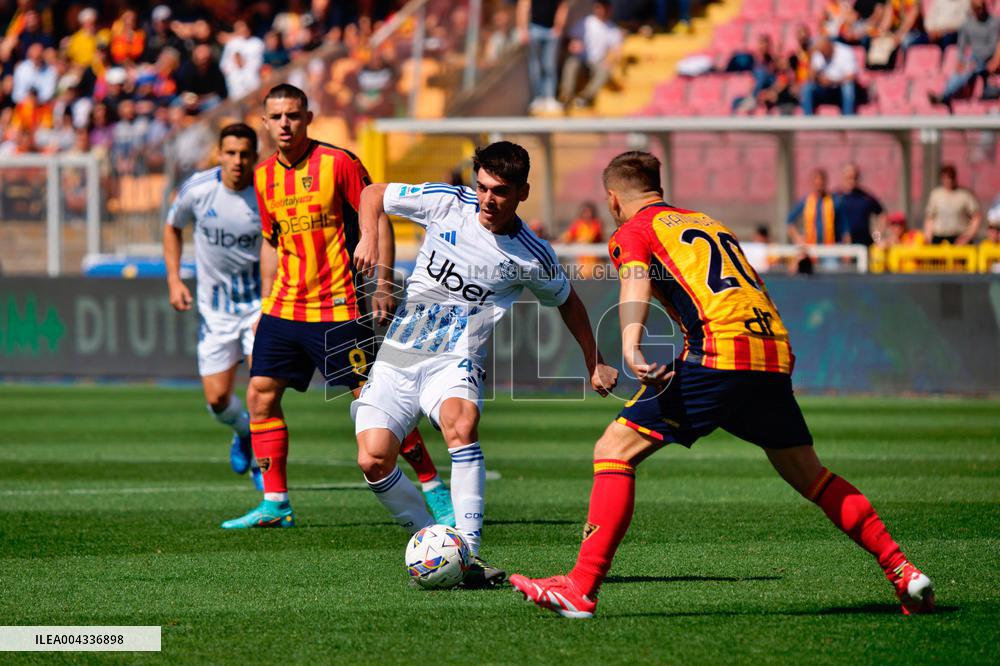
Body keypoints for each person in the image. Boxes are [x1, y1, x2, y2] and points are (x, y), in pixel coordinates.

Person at [509, 150, 935, 619]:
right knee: (811, 475)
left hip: (719, 353)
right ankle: (904, 571)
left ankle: (581, 587)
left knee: (614, 449)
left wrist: (630, 345)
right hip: (771, 353)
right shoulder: (710, 223)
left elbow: (634, 282)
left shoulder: (634, 230)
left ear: (613, 199)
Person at [350, 141, 619, 586]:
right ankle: (435, 542)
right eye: (482, 187)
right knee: (373, 460)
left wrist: (596, 362)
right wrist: (369, 237)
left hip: (455, 359)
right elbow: (373, 194)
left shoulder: (532, 254)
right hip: (401, 353)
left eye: (500, 191)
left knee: (461, 421)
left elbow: (568, 302)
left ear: (523, 193)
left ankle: (468, 553)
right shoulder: (445, 203)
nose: (488, 200)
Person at [221, 84, 453, 529]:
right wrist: (264, 304)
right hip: (284, 308)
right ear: (265, 123)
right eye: (277, 117)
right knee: (260, 396)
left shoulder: (339, 163)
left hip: (338, 307)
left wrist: (383, 283)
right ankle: (276, 502)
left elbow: (377, 217)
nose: (285, 124)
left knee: (376, 402)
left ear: (308, 118)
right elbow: (273, 242)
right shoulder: (264, 176)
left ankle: (431, 486)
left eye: (293, 115)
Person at [163, 123, 265, 491]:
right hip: (216, 309)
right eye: (231, 153)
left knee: (261, 391)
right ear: (219, 154)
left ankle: (264, 470)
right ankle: (243, 433)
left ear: (255, 156)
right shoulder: (198, 189)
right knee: (218, 399)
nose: (238, 161)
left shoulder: (267, 192)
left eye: (245, 154)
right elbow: (172, 227)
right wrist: (174, 278)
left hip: (260, 306)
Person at [928, 0, 999, 107]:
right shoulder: (967, 24)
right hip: (974, 59)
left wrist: (976, 59)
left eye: (981, 7)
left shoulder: (994, 22)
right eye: (976, 8)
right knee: (962, 69)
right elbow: (961, 45)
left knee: (968, 67)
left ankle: (943, 96)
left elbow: (992, 46)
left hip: (987, 59)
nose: (979, 10)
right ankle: (944, 95)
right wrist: (961, 60)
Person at [558, 0, 623, 109]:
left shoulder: (613, 29)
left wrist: (610, 60)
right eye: (598, 7)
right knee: (571, 63)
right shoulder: (585, 23)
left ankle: (585, 97)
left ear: (609, 10)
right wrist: (572, 44)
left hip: (598, 61)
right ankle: (566, 96)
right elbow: (568, 40)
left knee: (605, 70)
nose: (601, 10)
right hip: (582, 59)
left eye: (603, 7)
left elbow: (617, 51)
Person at [518, 0, 569, 113]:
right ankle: (538, 98)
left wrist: (559, 26)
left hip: (551, 30)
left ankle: (549, 97)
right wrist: (523, 28)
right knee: (535, 66)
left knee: (549, 65)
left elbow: (563, 5)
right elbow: (524, 5)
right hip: (534, 28)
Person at [923, 164, 981, 244]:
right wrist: (928, 238)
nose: (948, 180)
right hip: (939, 238)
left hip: (959, 239)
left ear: (955, 178)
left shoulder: (965, 195)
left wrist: (967, 237)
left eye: (950, 177)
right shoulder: (936, 195)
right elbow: (929, 218)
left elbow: (976, 217)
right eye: (945, 178)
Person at [801, 36, 859, 115]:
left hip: (839, 89)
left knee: (848, 87)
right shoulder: (818, 53)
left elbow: (851, 77)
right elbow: (811, 78)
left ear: (830, 46)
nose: (823, 54)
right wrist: (811, 58)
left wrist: (832, 81)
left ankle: (848, 121)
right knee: (807, 88)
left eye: (824, 51)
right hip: (824, 90)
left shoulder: (846, 51)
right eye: (821, 52)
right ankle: (808, 122)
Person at [787, 168, 841, 245]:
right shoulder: (806, 201)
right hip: (811, 247)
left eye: (821, 180)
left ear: (825, 182)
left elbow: (843, 224)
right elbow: (789, 221)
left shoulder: (833, 200)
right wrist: (798, 238)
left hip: (830, 247)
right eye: (816, 180)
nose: (819, 183)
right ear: (812, 182)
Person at [834, 163, 885, 246]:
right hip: (840, 248)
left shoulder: (865, 197)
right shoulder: (835, 197)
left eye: (854, 178)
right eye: (849, 178)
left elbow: (882, 215)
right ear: (843, 177)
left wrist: (876, 238)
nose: (852, 181)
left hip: (863, 246)